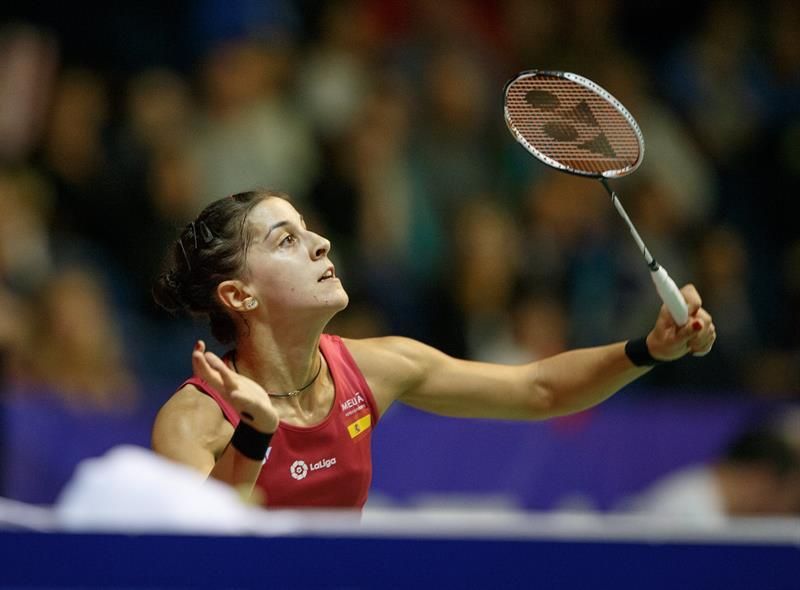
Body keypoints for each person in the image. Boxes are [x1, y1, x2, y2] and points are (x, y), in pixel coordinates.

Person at [151, 189, 716, 509]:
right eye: (288, 240)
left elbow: (535, 389)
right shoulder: (195, 420)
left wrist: (647, 350)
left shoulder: (373, 368)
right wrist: (252, 436)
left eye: (308, 228)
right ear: (238, 295)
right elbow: (195, 561)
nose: (322, 243)